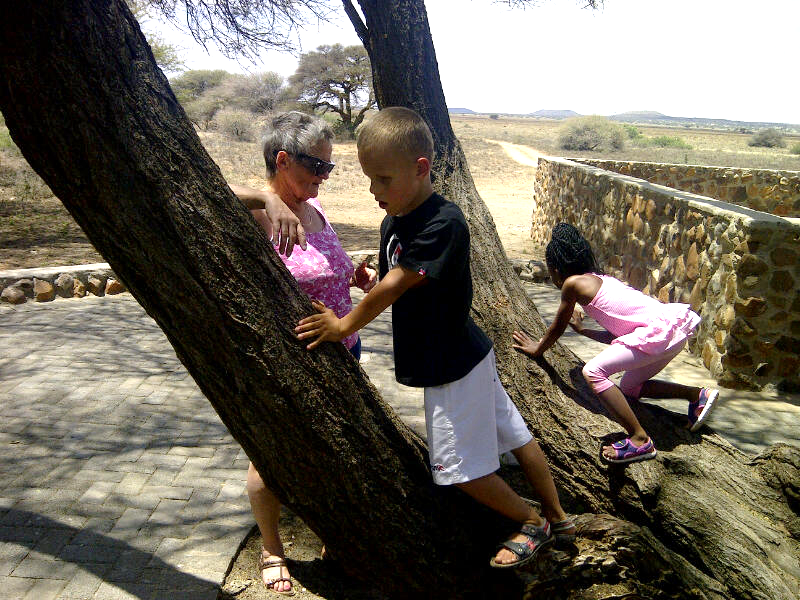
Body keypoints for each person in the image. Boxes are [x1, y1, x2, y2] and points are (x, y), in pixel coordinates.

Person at [294, 106, 574, 569]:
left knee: (455, 470)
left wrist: (344, 325)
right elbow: (392, 281)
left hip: (450, 364)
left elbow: (397, 284)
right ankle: (560, 516)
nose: (373, 191)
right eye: (369, 179)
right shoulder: (396, 221)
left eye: (383, 179)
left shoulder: (443, 222)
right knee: (516, 435)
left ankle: (532, 522)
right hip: (467, 352)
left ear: (421, 168)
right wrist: (368, 281)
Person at [234, 111, 376, 595]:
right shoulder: (262, 213)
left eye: (329, 168)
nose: (323, 177)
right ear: (281, 159)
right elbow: (187, 195)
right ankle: (272, 548)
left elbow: (321, 271)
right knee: (268, 459)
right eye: (316, 166)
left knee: (340, 452)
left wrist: (352, 278)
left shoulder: (315, 209)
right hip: (293, 360)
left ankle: (333, 536)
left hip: (345, 353)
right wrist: (266, 198)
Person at [511, 222, 720, 465]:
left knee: (593, 372)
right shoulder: (602, 280)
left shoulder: (573, 284)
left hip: (659, 334)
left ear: (557, 268)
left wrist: (538, 348)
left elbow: (557, 326)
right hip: (672, 331)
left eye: (551, 271)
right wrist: (583, 330)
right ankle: (697, 395)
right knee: (630, 387)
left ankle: (640, 439)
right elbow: (620, 340)